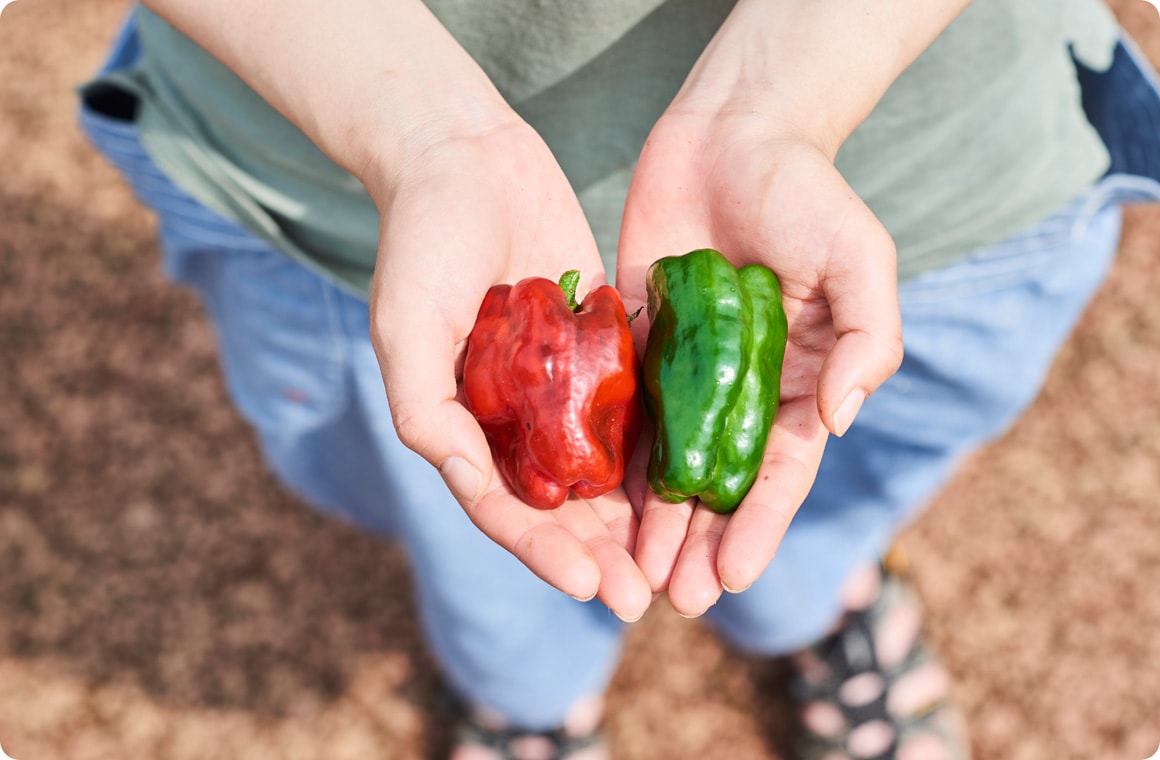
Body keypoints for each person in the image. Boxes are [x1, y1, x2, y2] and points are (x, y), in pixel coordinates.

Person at [76, 0, 1160, 757]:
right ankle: (526, 701)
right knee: (472, 539)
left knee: (837, 480)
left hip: (936, 159)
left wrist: (782, 102)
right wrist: (418, 136)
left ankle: (817, 604)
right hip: (329, 174)